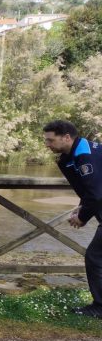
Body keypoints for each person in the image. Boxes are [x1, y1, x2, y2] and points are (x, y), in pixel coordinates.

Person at [44, 120, 102, 318]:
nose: (47, 144)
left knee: (95, 257)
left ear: (66, 137)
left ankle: (100, 307)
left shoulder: (85, 156)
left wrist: (83, 217)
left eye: (51, 140)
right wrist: (80, 208)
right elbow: (88, 189)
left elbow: (95, 194)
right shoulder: (71, 156)